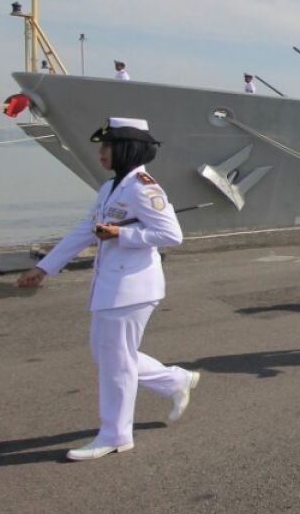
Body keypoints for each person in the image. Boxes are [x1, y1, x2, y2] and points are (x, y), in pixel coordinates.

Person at [16, 117, 194, 461]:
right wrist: (44, 267)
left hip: (133, 287)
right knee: (108, 356)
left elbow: (173, 235)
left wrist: (121, 235)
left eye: (107, 147)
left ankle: (115, 435)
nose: (101, 153)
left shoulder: (144, 188)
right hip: (112, 285)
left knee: (116, 364)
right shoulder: (111, 187)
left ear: (126, 149)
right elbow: (84, 230)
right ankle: (174, 381)